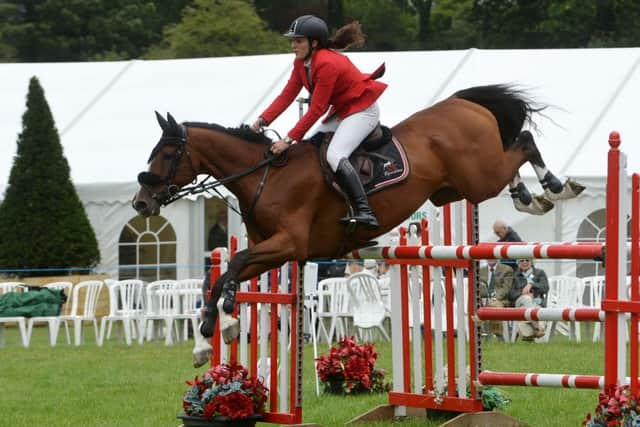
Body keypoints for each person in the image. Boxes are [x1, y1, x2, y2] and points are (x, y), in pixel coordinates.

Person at [251, 15, 387, 230]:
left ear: (314, 43)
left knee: (334, 155)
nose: (293, 46)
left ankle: (365, 210)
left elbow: (316, 109)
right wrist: (262, 120)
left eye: (298, 41)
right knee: (312, 146)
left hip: (363, 110)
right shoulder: (301, 63)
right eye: (293, 41)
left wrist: (288, 140)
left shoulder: (326, 63)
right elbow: (286, 96)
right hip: (343, 111)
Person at [508, 258, 549, 341]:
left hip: (536, 302)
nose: (524, 262)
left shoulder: (540, 273)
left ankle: (528, 335)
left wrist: (532, 285)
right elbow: (511, 294)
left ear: (532, 262)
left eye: (527, 260)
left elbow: (545, 288)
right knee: (526, 299)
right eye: (521, 260)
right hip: (519, 301)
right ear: (518, 263)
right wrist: (523, 293)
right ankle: (537, 327)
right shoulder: (515, 275)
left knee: (527, 310)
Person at [478, 259, 514, 339]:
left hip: (500, 300)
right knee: (473, 306)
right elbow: (478, 287)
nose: (491, 258)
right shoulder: (480, 270)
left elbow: (506, 288)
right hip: (483, 299)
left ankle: (497, 335)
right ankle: (481, 334)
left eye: (493, 256)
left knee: (494, 306)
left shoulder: (507, 269)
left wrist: (495, 298)